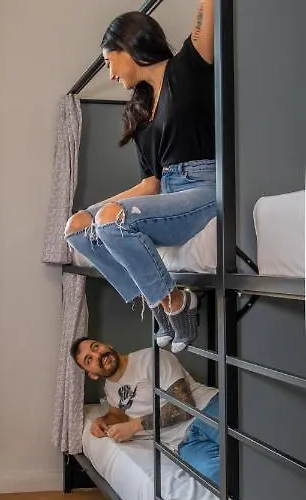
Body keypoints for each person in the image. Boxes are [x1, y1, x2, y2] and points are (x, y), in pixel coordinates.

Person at [64, 0, 215, 352]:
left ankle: (174, 301)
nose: (110, 74)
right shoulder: (140, 111)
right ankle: (156, 298)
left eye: (108, 62)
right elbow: (151, 184)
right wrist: (93, 212)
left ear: (128, 47)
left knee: (111, 221)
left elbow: (209, 12)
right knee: (77, 228)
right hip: (169, 195)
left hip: (205, 187)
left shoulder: (187, 68)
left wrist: (109, 213)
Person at [70, 336, 220, 486]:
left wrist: (134, 426)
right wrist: (102, 420)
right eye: (89, 359)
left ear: (108, 345)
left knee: (233, 442)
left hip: (206, 409)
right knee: (218, 477)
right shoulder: (110, 388)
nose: (97, 355)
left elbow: (184, 406)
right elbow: (117, 414)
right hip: (184, 442)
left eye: (96, 347)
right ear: (92, 374)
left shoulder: (151, 358)